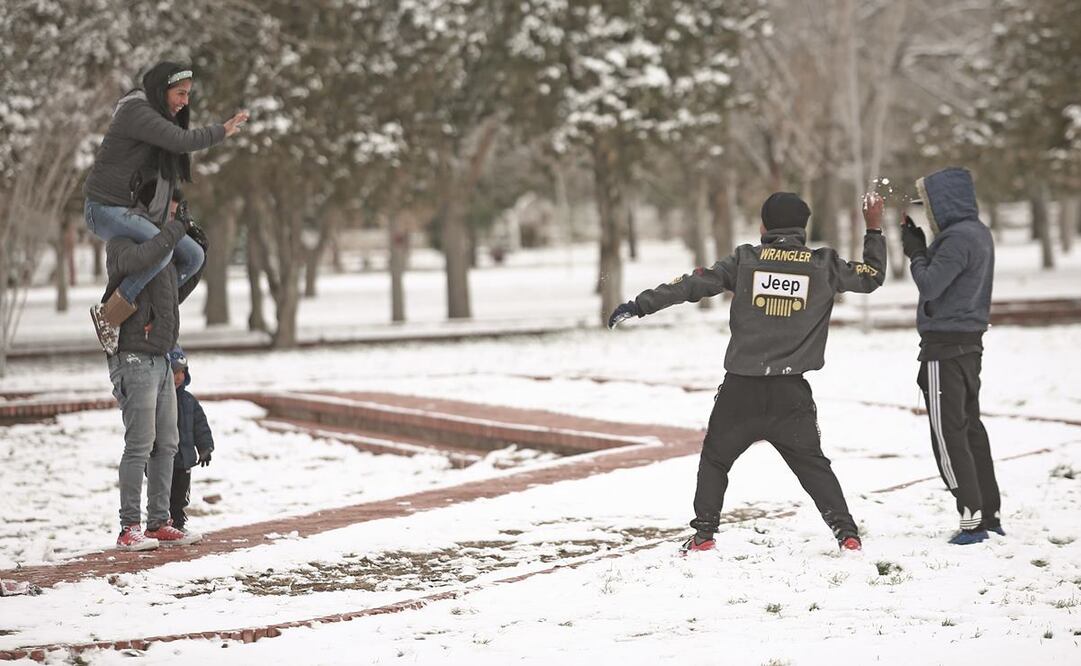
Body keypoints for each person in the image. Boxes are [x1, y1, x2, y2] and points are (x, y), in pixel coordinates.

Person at [609, 192, 886, 553]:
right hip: (791, 393)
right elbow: (871, 277)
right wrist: (874, 228)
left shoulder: (745, 260)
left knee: (715, 459)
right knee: (813, 466)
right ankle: (846, 534)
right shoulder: (824, 265)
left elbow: (691, 285)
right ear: (803, 228)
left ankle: (704, 535)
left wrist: (639, 305)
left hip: (741, 390)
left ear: (763, 226)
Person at [84, 60, 249, 355]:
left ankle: (153, 309)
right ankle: (110, 314)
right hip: (104, 209)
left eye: (188, 95)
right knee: (162, 250)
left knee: (194, 256)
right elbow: (180, 141)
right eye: (180, 94)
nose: (185, 103)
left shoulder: (154, 115)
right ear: (162, 90)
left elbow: (161, 172)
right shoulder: (137, 111)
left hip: (131, 211)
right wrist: (221, 131)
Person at [901, 167, 1002, 545]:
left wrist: (915, 253)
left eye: (928, 204)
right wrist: (925, 247)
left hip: (945, 347)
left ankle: (971, 518)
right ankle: (988, 512)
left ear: (944, 203)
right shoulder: (977, 232)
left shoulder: (957, 239)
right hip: (969, 342)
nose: (927, 212)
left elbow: (929, 285)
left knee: (947, 434)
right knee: (970, 428)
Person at [105, 194, 200, 551]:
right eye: (169, 212)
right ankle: (129, 527)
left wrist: (190, 238)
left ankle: (159, 522)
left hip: (160, 358)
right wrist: (174, 231)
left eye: (178, 213)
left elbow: (187, 272)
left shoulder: (166, 248)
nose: (173, 218)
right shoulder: (121, 242)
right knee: (140, 444)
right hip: (132, 356)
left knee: (168, 444)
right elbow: (147, 258)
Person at [166, 346, 214, 539]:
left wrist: (205, 447)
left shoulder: (188, 401)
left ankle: (178, 522)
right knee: (163, 493)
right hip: (165, 459)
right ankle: (163, 521)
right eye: (174, 372)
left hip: (185, 459)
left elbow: (200, 426)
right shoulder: (160, 400)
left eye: (182, 372)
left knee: (181, 494)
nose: (178, 377)